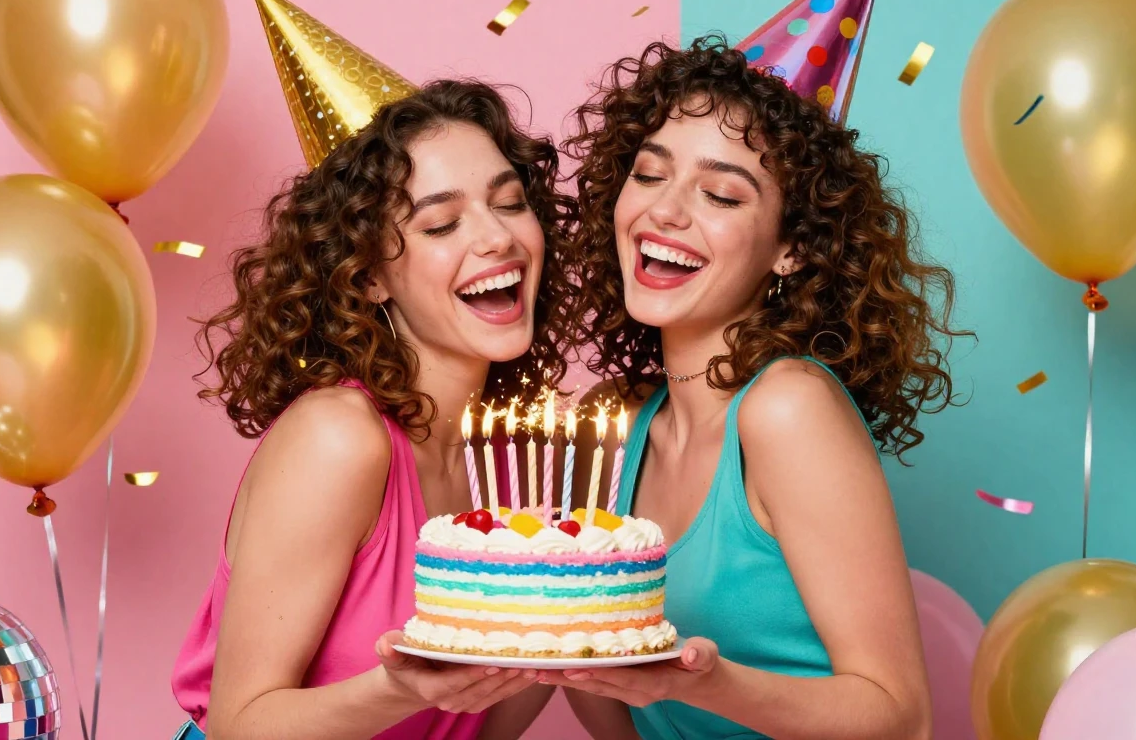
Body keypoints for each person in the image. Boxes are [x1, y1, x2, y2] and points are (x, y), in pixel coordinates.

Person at [546, 37, 968, 740]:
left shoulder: (787, 409)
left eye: (719, 193)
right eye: (649, 176)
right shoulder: (608, 424)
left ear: (790, 248)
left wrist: (710, 682)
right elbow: (596, 685)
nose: (667, 213)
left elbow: (902, 717)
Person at [170, 80, 570, 740]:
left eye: (509, 202)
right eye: (441, 223)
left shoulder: (508, 459)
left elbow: (470, 725)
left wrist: (572, 638)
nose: (498, 236)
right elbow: (240, 724)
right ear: (368, 276)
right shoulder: (339, 439)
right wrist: (397, 687)